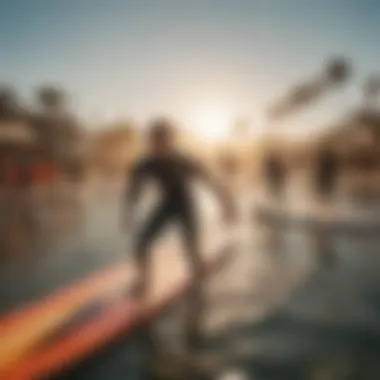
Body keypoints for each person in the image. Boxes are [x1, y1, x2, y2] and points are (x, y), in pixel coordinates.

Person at [123, 118, 236, 345]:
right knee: (142, 241)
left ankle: (198, 290)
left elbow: (212, 182)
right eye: (155, 140)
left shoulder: (185, 161)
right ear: (150, 141)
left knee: (190, 251)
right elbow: (133, 190)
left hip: (186, 207)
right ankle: (144, 282)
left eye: (164, 140)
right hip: (166, 205)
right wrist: (127, 213)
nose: (159, 145)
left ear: (171, 140)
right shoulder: (145, 163)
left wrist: (226, 204)